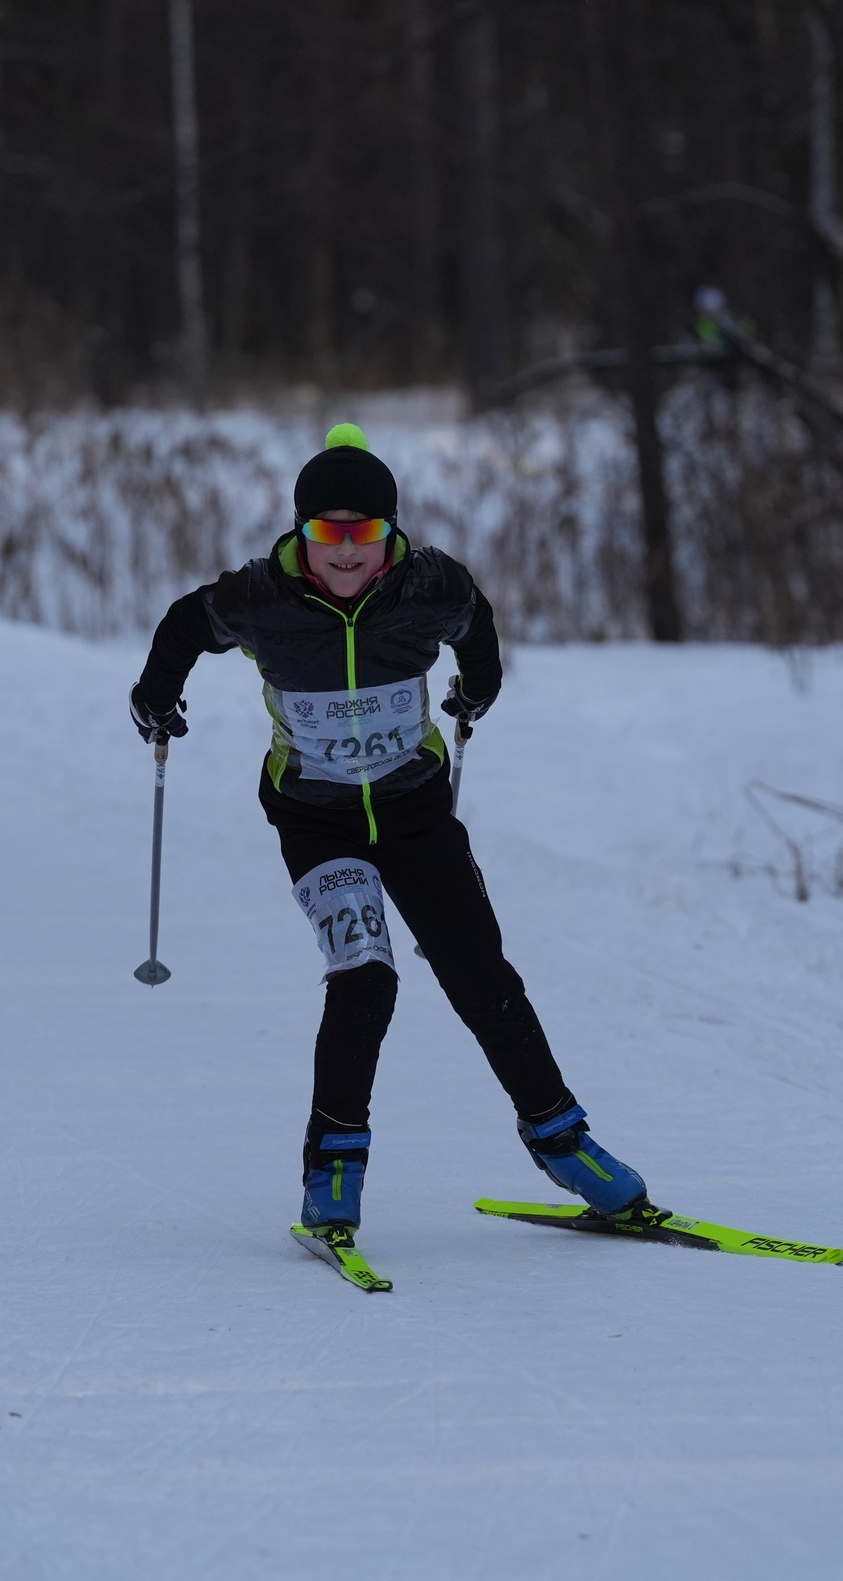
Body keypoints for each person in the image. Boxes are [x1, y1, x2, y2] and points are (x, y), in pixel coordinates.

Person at [129, 423, 651, 1253]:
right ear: (301, 534)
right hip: (315, 817)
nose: (345, 552)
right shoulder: (262, 597)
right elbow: (183, 625)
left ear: (390, 534)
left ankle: (563, 1142)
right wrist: (155, 699)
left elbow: (476, 628)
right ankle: (332, 1168)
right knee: (365, 976)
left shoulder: (428, 586)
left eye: (364, 533)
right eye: (326, 534)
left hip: (415, 812)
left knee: (481, 975)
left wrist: (475, 691)